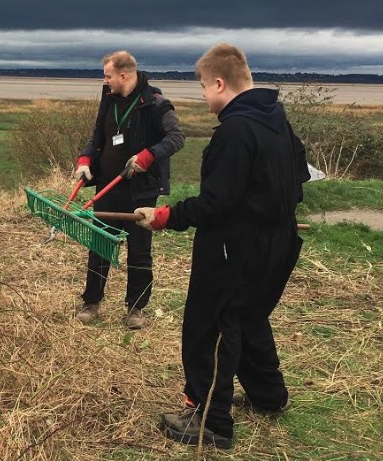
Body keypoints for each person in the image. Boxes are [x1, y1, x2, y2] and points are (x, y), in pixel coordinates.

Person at [134, 43, 311, 448]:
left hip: (236, 248)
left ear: (219, 82)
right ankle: (269, 396)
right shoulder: (275, 119)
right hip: (279, 242)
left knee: (210, 327)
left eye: (201, 85)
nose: (201, 94)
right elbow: (297, 175)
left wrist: (166, 216)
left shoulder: (234, 131)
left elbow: (217, 203)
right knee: (247, 317)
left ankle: (209, 420)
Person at [74, 51, 185, 329]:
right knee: (99, 245)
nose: (105, 80)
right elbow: (97, 137)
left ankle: (135, 309)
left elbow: (176, 138)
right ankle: (92, 302)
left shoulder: (156, 103)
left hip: (141, 192)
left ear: (123, 75)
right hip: (108, 188)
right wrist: (86, 160)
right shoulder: (109, 99)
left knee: (139, 251)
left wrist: (147, 156)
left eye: (108, 75)